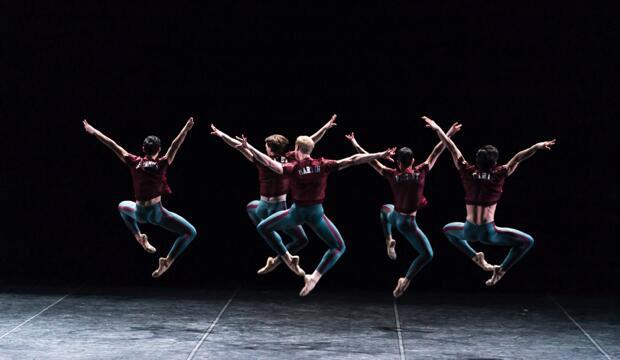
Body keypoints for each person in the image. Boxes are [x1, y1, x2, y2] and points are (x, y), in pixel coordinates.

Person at [238, 133, 396, 296]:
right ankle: (314, 277)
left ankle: (284, 257)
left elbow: (269, 163)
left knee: (263, 227)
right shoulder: (323, 164)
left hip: (296, 214)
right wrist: (381, 155)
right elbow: (354, 159)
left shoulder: (294, 167)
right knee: (339, 247)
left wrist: (249, 147)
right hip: (316, 214)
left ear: (298, 148)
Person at [423, 116, 555, 286]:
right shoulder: (499, 173)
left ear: (477, 161)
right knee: (527, 241)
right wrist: (536, 146)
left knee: (447, 231)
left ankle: (474, 256)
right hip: (489, 233)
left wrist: (437, 128)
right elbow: (518, 157)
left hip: (468, 231)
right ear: (494, 162)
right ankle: (501, 270)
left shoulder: (467, 170)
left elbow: (451, 147)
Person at [209, 115, 337, 275]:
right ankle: (285, 258)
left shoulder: (262, 159)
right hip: (278, 208)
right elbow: (309, 143)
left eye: (266, 146)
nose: (265, 149)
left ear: (270, 148)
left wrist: (222, 135)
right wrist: (325, 128)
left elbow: (238, 146)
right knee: (302, 240)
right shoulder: (290, 158)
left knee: (252, 208)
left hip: (263, 208)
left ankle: (278, 258)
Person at [345, 121, 461, 297]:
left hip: (395, 216)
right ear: (413, 161)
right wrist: (449, 133)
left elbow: (370, 160)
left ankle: (389, 239)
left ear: (397, 162)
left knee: (384, 209)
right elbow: (438, 150)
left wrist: (355, 144)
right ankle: (405, 280)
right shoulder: (421, 171)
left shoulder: (391, 173)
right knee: (427, 254)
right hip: (408, 223)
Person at [83, 117, 197, 278]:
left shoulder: (133, 161)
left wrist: (93, 131)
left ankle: (139, 236)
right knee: (190, 232)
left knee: (122, 206)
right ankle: (168, 261)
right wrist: (186, 129)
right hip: (157, 214)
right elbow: (174, 145)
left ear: (143, 148)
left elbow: (113, 145)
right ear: (159, 150)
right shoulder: (162, 164)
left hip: (139, 213)